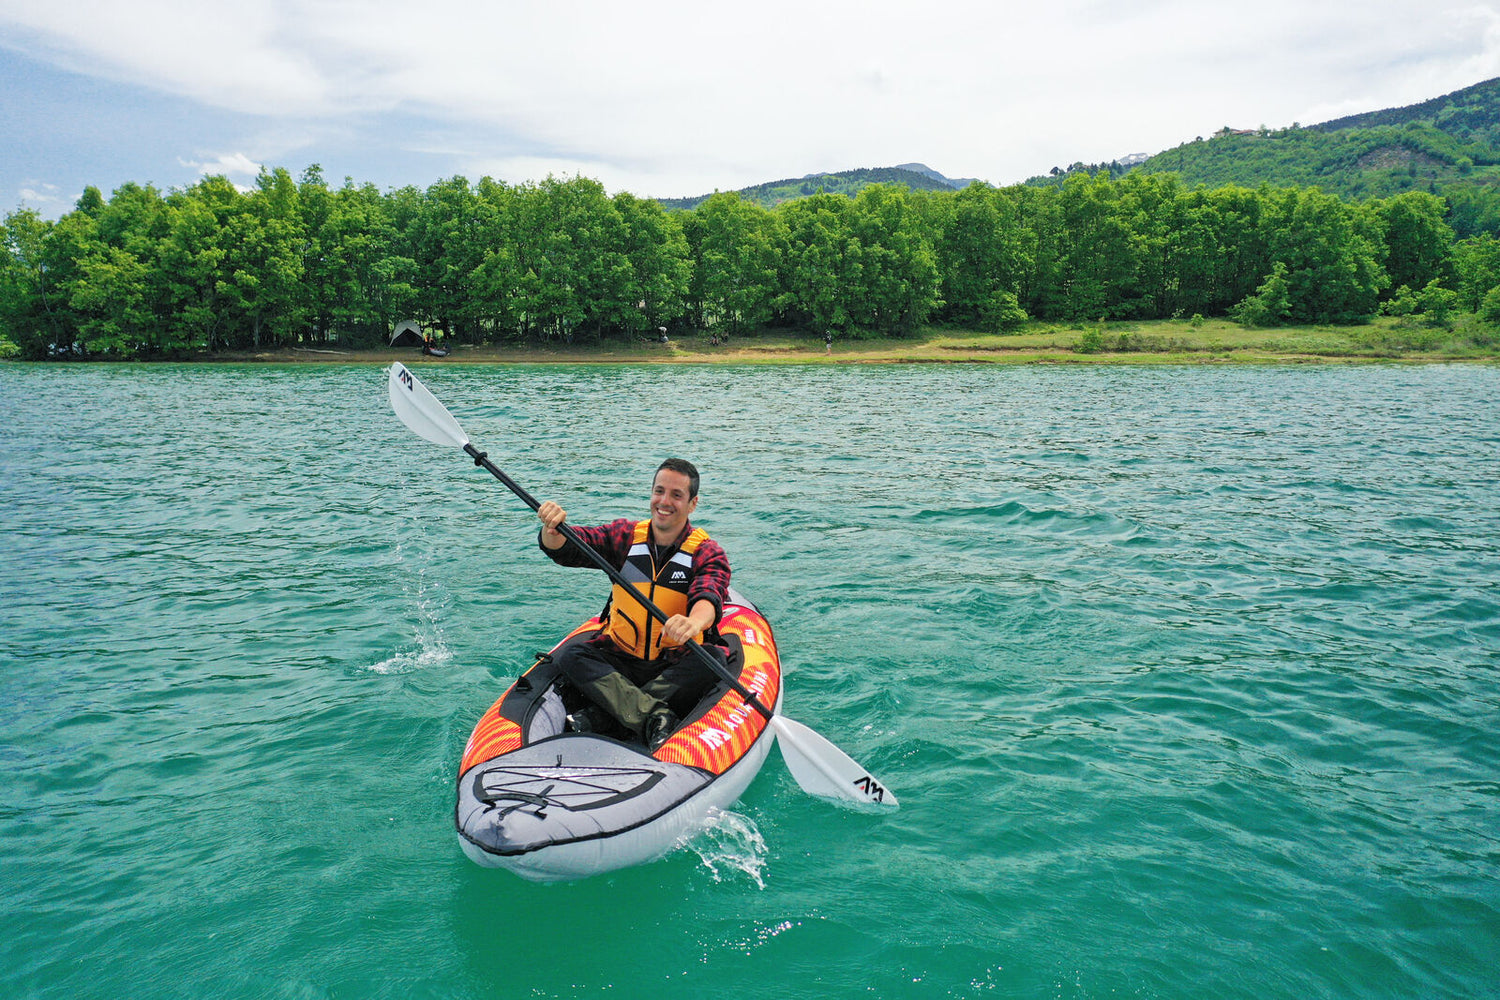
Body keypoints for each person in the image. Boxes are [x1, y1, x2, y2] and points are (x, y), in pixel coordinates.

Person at [536, 459, 731, 750]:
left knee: (712, 661)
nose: (664, 502)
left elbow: (710, 593)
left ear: (692, 504)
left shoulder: (706, 551)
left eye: (676, 495)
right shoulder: (625, 537)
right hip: (620, 657)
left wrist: (693, 622)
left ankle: (606, 715)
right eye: (659, 491)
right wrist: (552, 532)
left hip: (672, 662)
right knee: (572, 655)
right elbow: (572, 548)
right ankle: (655, 715)